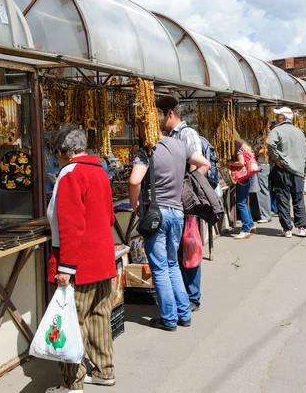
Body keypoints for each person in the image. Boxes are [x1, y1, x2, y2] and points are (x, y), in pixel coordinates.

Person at [46, 125, 117, 393]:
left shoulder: (70, 174)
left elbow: (70, 225)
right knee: (100, 316)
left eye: (57, 155)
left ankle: (71, 383)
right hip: (102, 258)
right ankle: (104, 371)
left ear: (62, 153)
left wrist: (65, 267)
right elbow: (109, 217)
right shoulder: (99, 170)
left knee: (72, 322)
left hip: (80, 262)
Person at [129, 118, 209, 332]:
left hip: (156, 214)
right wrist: (186, 184)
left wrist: (134, 203)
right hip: (177, 211)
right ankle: (184, 313)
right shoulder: (179, 145)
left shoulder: (146, 151)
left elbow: (135, 180)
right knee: (173, 264)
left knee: (160, 267)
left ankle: (169, 318)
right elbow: (205, 163)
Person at [155, 96, 205, 313]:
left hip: (185, 202)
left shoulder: (187, 134)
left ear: (169, 114)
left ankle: (192, 295)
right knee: (176, 252)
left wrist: (186, 189)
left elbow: (200, 166)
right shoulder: (169, 136)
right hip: (174, 202)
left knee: (189, 246)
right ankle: (182, 295)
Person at [267, 107, 306, 238]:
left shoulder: (276, 130)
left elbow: (270, 143)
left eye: (278, 115)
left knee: (283, 199)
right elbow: (304, 153)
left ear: (283, 117)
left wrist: (276, 158)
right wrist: (304, 171)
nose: (276, 117)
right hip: (298, 171)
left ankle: (287, 229)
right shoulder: (299, 132)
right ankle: (301, 227)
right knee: (298, 199)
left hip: (282, 170)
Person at [230, 130, 256, 240]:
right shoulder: (241, 143)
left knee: (240, 202)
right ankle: (250, 224)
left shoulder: (236, 145)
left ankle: (245, 230)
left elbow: (241, 162)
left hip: (243, 176)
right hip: (248, 176)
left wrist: (229, 163)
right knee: (243, 201)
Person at [252, 122, 274, 223]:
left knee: (262, 190)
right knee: (259, 190)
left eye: (260, 123)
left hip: (263, 164)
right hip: (258, 164)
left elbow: (268, 149)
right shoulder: (259, 135)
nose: (257, 125)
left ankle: (265, 215)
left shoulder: (268, 136)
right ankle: (260, 213)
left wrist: (255, 153)